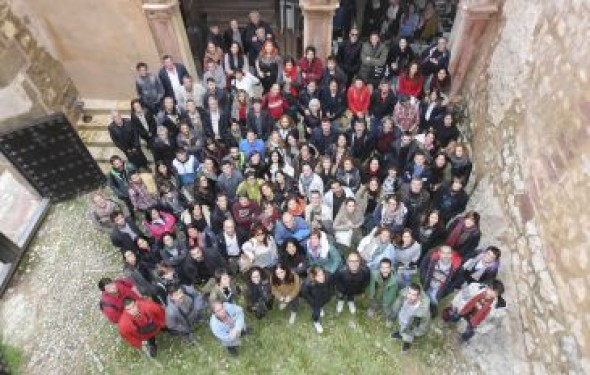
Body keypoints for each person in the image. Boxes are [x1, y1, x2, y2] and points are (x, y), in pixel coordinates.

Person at [420, 245, 462, 316]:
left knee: (434, 301)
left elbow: (458, 280)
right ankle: (422, 311)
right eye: (443, 253)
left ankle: (431, 310)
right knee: (424, 297)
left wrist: (448, 289)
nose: (445, 255)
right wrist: (424, 278)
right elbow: (423, 267)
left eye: (448, 253)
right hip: (428, 284)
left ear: (451, 254)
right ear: (439, 253)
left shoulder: (455, 267)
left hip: (439, 289)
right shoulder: (432, 261)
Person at [390, 283, 431, 352]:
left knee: (408, 335)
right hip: (403, 319)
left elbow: (423, 326)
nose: (410, 297)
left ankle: (407, 343)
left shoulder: (423, 311)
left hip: (411, 326)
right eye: (409, 293)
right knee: (402, 328)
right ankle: (400, 334)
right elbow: (398, 303)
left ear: (418, 296)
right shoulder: (404, 297)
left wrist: (416, 332)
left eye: (414, 295)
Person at [300, 266, 335, 334]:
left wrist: (330, 294)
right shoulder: (308, 283)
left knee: (322, 304)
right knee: (316, 312)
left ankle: (321, 307)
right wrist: (313, 302)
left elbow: (332, 286)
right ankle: (316, 322)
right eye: (318, 275)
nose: (322, 277)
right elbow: (305, 293)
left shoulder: (328, 276)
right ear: (313, 276)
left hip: (325, 297)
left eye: (322, 274)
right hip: (314, 299)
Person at [367, 258, 399, 326]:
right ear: (380, 268)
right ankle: (373, 308)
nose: (385, 270)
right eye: (383, 268)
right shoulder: (374, 274)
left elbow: (392, 294)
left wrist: (387, 302)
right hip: (378, 292)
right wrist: (371, 295)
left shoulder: (395, 280)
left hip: (387, 293)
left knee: (387, 308)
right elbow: (372, 286)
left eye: (387, 268)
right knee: (373, 302)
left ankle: (389, 318)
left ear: (390, 268)